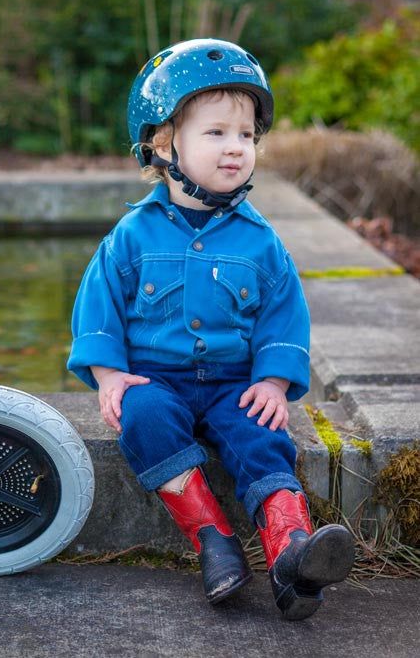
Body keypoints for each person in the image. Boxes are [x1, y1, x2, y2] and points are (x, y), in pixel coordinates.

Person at [67, 38, 355, 620]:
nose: (235, 149)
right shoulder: (132, 236)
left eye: (246, 135)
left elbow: (283, 314)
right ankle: (214, 543)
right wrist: (108, 374)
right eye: (216, 133)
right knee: (143, 420)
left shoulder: (260, 240)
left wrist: (273, 383)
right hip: (158, 381)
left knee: (262, 436)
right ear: (163, 143)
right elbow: (98, 307)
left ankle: (292, 555)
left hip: (233, 384)